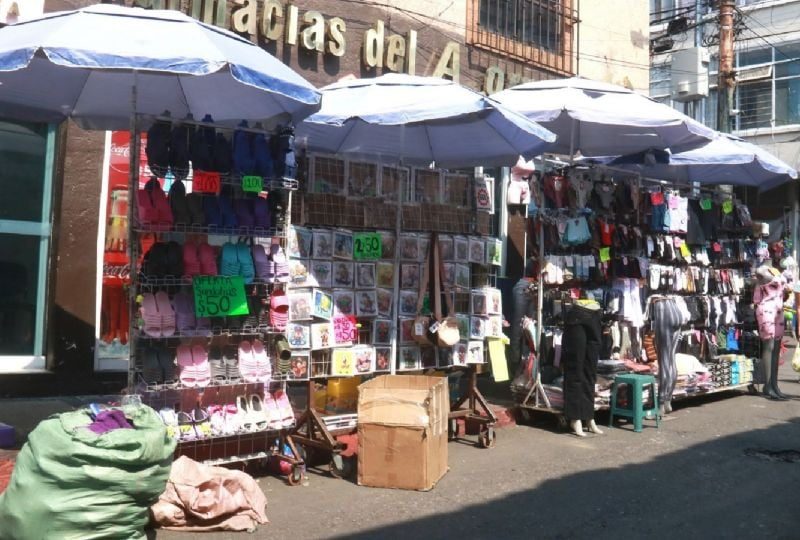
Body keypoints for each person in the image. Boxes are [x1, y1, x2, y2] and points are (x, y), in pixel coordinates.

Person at [508, 258, 537, 374]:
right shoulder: (533, 261)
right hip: (526, 286)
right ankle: (515, 363)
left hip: (533, 286)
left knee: (529, 328)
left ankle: (524, 363)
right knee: (518, 327)